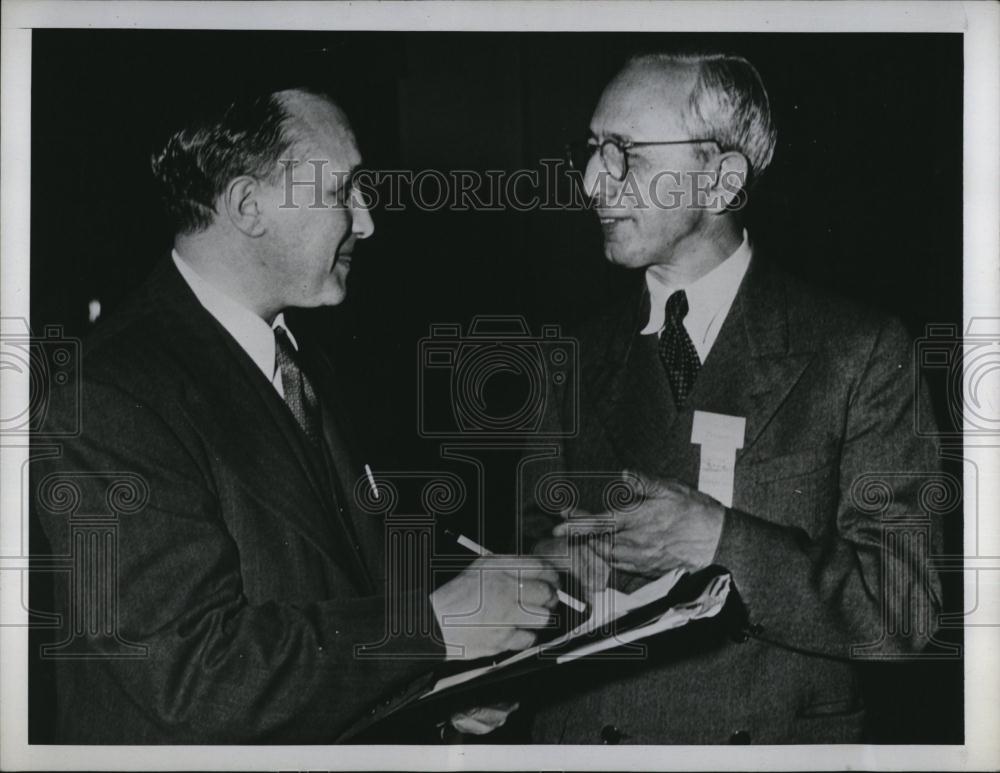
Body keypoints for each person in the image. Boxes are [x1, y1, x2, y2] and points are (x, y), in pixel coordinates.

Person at [31, 86, 558, 743]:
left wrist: (434, 683)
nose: (366, 222)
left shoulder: (302, 362)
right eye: (343, 191)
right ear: (249, 206)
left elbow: (336, 598)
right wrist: (433, 631)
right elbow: (195, 674)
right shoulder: (107, 394)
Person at [523, 52, 943, 744]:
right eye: (591, 150)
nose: (595, 180)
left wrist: (722, 541)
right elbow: (527, 558)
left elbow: (903, 610)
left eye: (625, 153)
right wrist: (545, 578)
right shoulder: (566, 357)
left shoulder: (858, 350)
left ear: (720, 180)